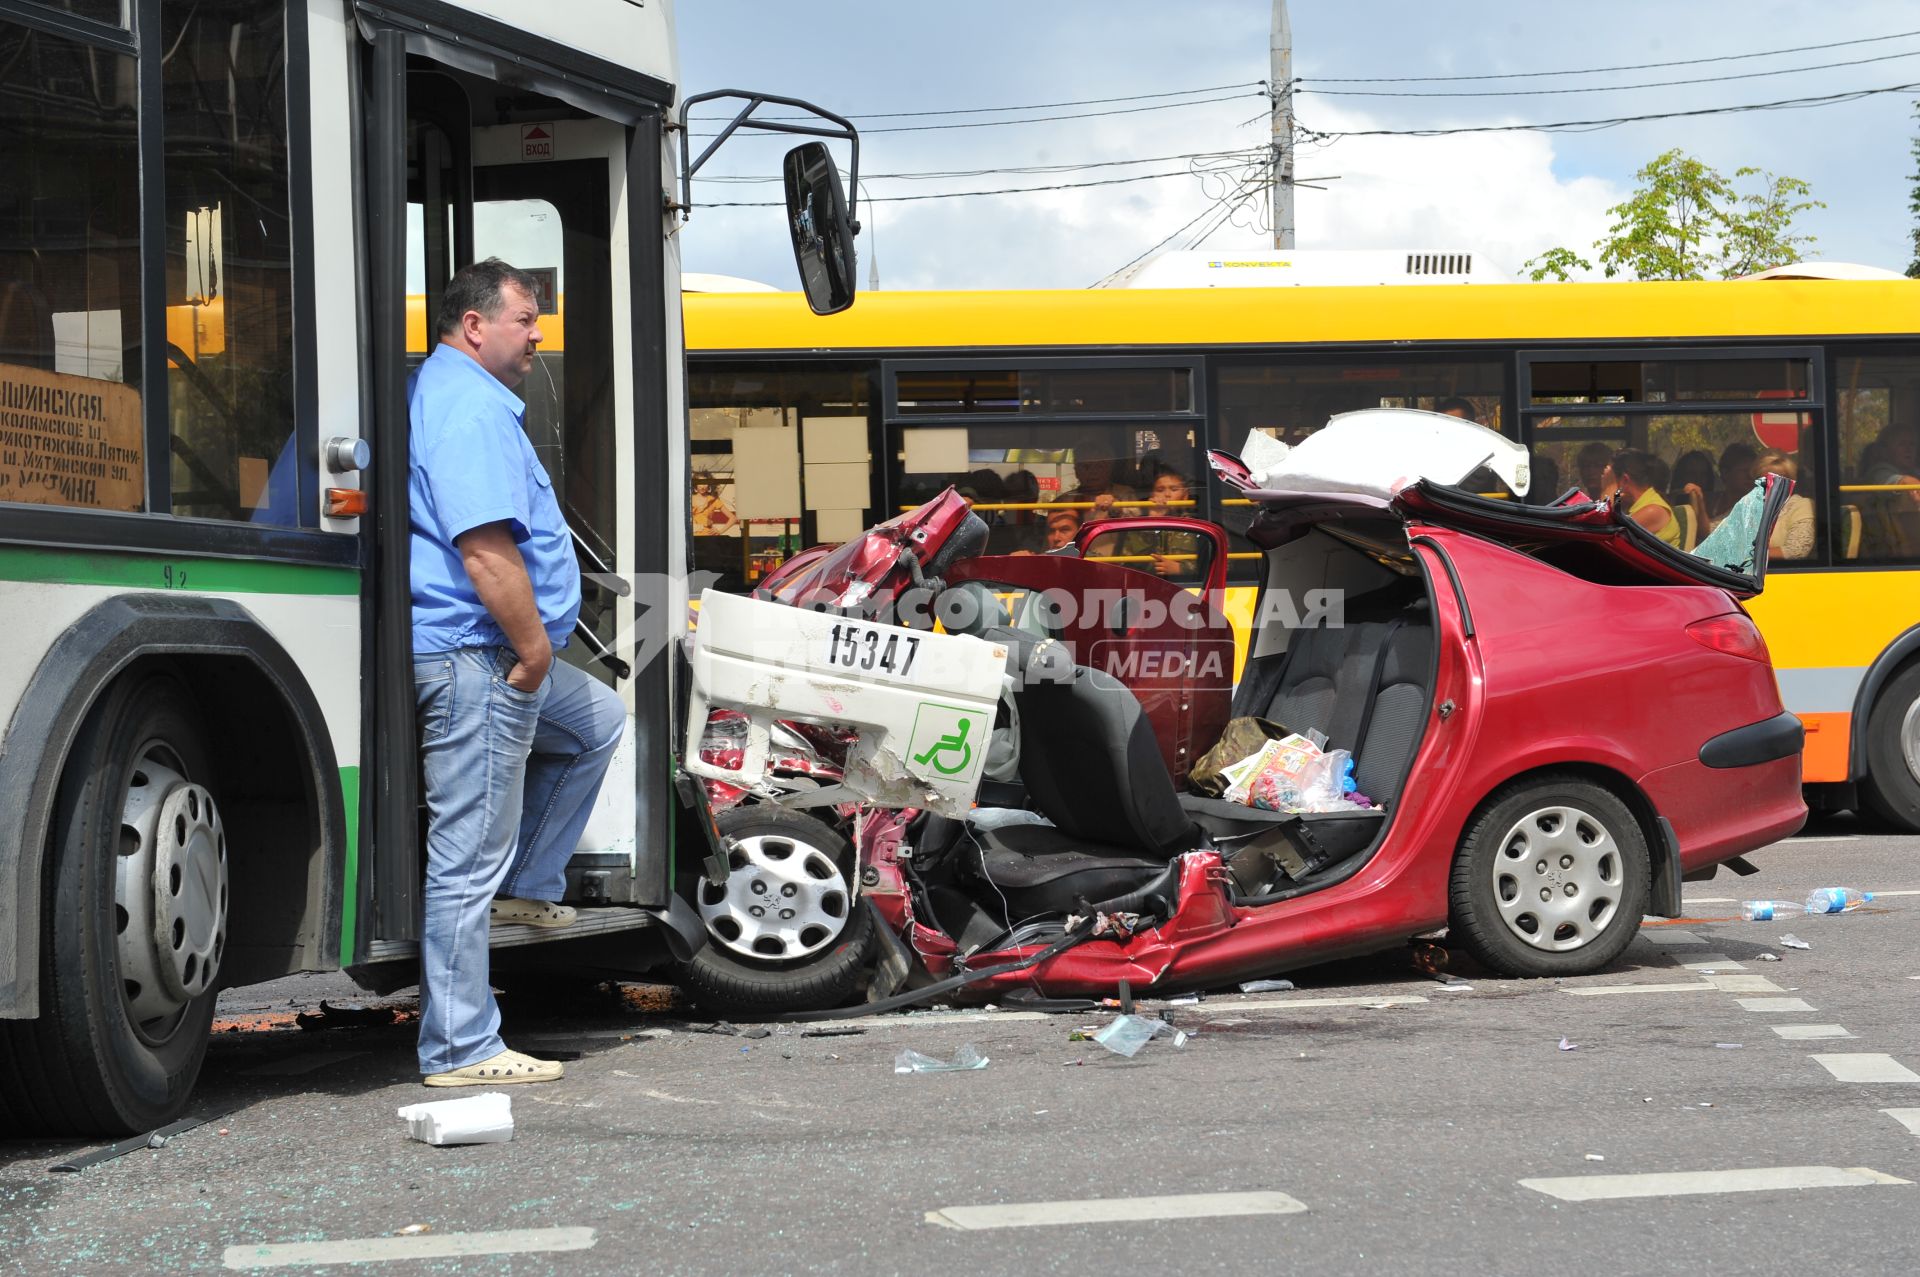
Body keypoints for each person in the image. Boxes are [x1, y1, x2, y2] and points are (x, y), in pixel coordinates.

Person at [409, 258, 627, 1088]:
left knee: (597, 723)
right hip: (481, 655)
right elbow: (485, 549)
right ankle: (461, 1047)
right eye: (526, 319)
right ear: (474, 325)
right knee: (464, 856)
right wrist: (535, 652)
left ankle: (526, 885)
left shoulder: (458, 396)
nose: (538, 336)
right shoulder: (467, 410)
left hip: (489, 651)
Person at [1603, 448, 1683, 547]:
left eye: (1611, 478)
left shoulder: (1653, 511)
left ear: (1624, 480)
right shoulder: (1631, 505)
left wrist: (1608, 489)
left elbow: (1605, 539)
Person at [1755, 448, 1814, 561]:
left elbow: (1796, 551)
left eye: (1779, 479)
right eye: (1765, 479)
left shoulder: (1802, 506)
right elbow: (1717, 528)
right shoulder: (1749, 507)